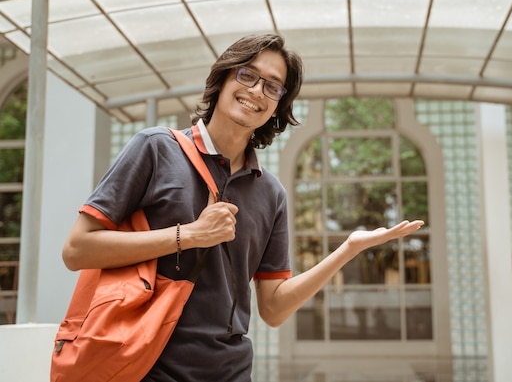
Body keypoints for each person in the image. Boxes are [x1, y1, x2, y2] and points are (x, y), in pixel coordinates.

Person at [62, 33, 424, 382]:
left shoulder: (270, 192)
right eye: (247, 75)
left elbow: (274, 308)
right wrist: (188, 235)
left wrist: (347, 250)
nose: (255, 91)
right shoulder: (156, 149)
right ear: (222, 79)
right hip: (144, 363)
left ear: (278, 106)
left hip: (229, 370)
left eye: (272, 86)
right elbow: (77, 250)